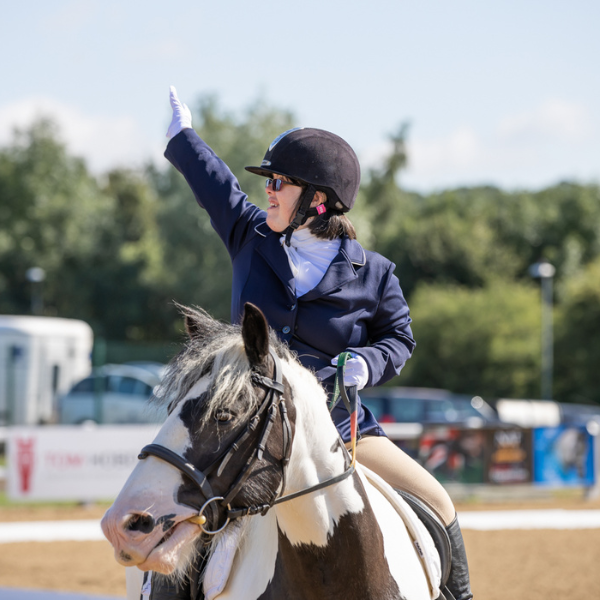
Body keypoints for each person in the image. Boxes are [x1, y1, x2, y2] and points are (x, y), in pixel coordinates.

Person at [157, 86, 473, 600]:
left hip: (340, 432)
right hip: (251, 430)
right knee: (188, 522)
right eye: (270, 181)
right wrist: (183, 137)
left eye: (280, 182)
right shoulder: (250, 236)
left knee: (438, 503)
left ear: (318, 200)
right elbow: (216, 186)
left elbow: (399, 338)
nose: (269, 191)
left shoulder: (374, 274)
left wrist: (367, 364)